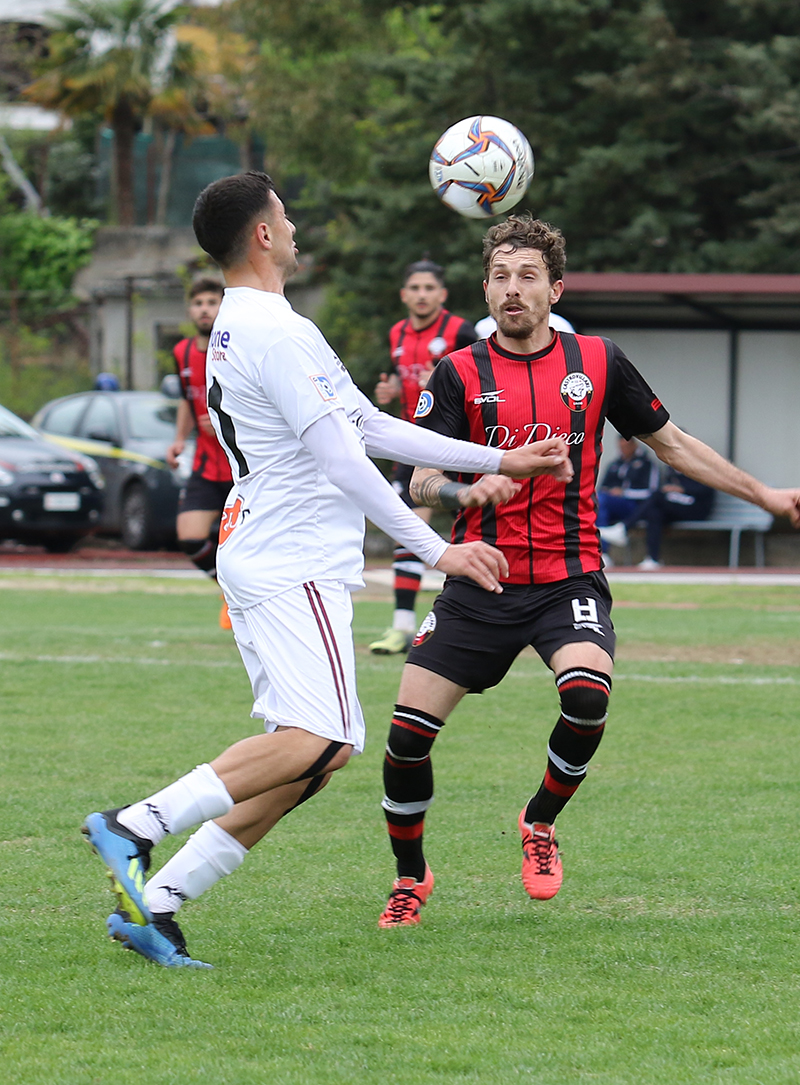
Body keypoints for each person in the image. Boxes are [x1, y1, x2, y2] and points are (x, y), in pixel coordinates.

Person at [82, 172, 574, 968]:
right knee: (318, 738)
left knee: (318, 755)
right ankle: (134, 824)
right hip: (290, 555)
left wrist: (501, 457)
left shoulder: (266, 324)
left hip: (272, 549)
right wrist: (438, 548)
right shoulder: (271, 331)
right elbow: (346, 462)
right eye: (285, 214)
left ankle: (159, 901)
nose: (295, 224)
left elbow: (369, 423)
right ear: (263, 236)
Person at [375, 212, 800, 927]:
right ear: (484, 288)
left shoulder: (598, 361)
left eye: (528, 276)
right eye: (501, 276)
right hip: (479, 578)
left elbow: (675, 445)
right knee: (405, 741)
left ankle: (539, 821)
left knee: (586, 691)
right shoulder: (456, 372)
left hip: (568, 576)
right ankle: (411, 877)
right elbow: (418, 477)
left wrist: (765, 493)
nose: (513, 289)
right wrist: (460, 488)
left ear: (556, 288)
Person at [369, 261, 479, 655]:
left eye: (429, 287)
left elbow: (485, 377)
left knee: (476, 526)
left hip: (455, 442)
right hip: (411, 442)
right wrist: (391, 392)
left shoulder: (461, 331)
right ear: (404, 294)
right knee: (408, 527)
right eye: (414, 287)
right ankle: (402, 626)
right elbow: (402, 382)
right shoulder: (397, 332)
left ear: (442, 295)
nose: (421, 294)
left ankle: (486, 618)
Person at [165, 277, 234, 628]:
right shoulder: (181, 352)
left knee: (245, 544)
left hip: (241, 464)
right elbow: (186, 399)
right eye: (198, 303)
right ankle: (231, 591)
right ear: (190, 310)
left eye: (212, 302)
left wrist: (226, 419)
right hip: (206, 463)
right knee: (190, 537)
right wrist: (180, 439)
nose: (205, 309)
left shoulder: (236, 347)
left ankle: (247, 599)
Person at [629, 467, 714, 570]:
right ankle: (653, 559)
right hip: (678, 506)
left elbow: (706, 489)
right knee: (654, 513)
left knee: (657, 496)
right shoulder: (672, 470)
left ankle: (625, 527)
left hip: (696, 509)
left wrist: (682, 489)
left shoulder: (700, 467)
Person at [596, 436, 660, 566]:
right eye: (621, 447)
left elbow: (652, 492)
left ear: (634, 445)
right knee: (599, 502)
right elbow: (603, 487)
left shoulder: (646, 464)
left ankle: (606, 547)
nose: (623, 450)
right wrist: (612, 492)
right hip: (613, 505)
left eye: (626, 446)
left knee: (602, 501)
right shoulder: (615, 465)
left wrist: (625, 492)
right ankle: (603, 554)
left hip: (636, 507)